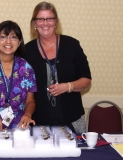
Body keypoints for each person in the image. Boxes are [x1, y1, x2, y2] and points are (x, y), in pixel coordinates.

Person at [24, 1, 92, 133]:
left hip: (72, 118)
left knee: (77, 153)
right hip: (39, 120)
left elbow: (86, 79)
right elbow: (9, 63)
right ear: (34, 23)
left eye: (49, 18)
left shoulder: (72, 45)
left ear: (56, 22)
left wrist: (68, 86)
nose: (45, 23)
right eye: (40, 19)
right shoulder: (27, 50)